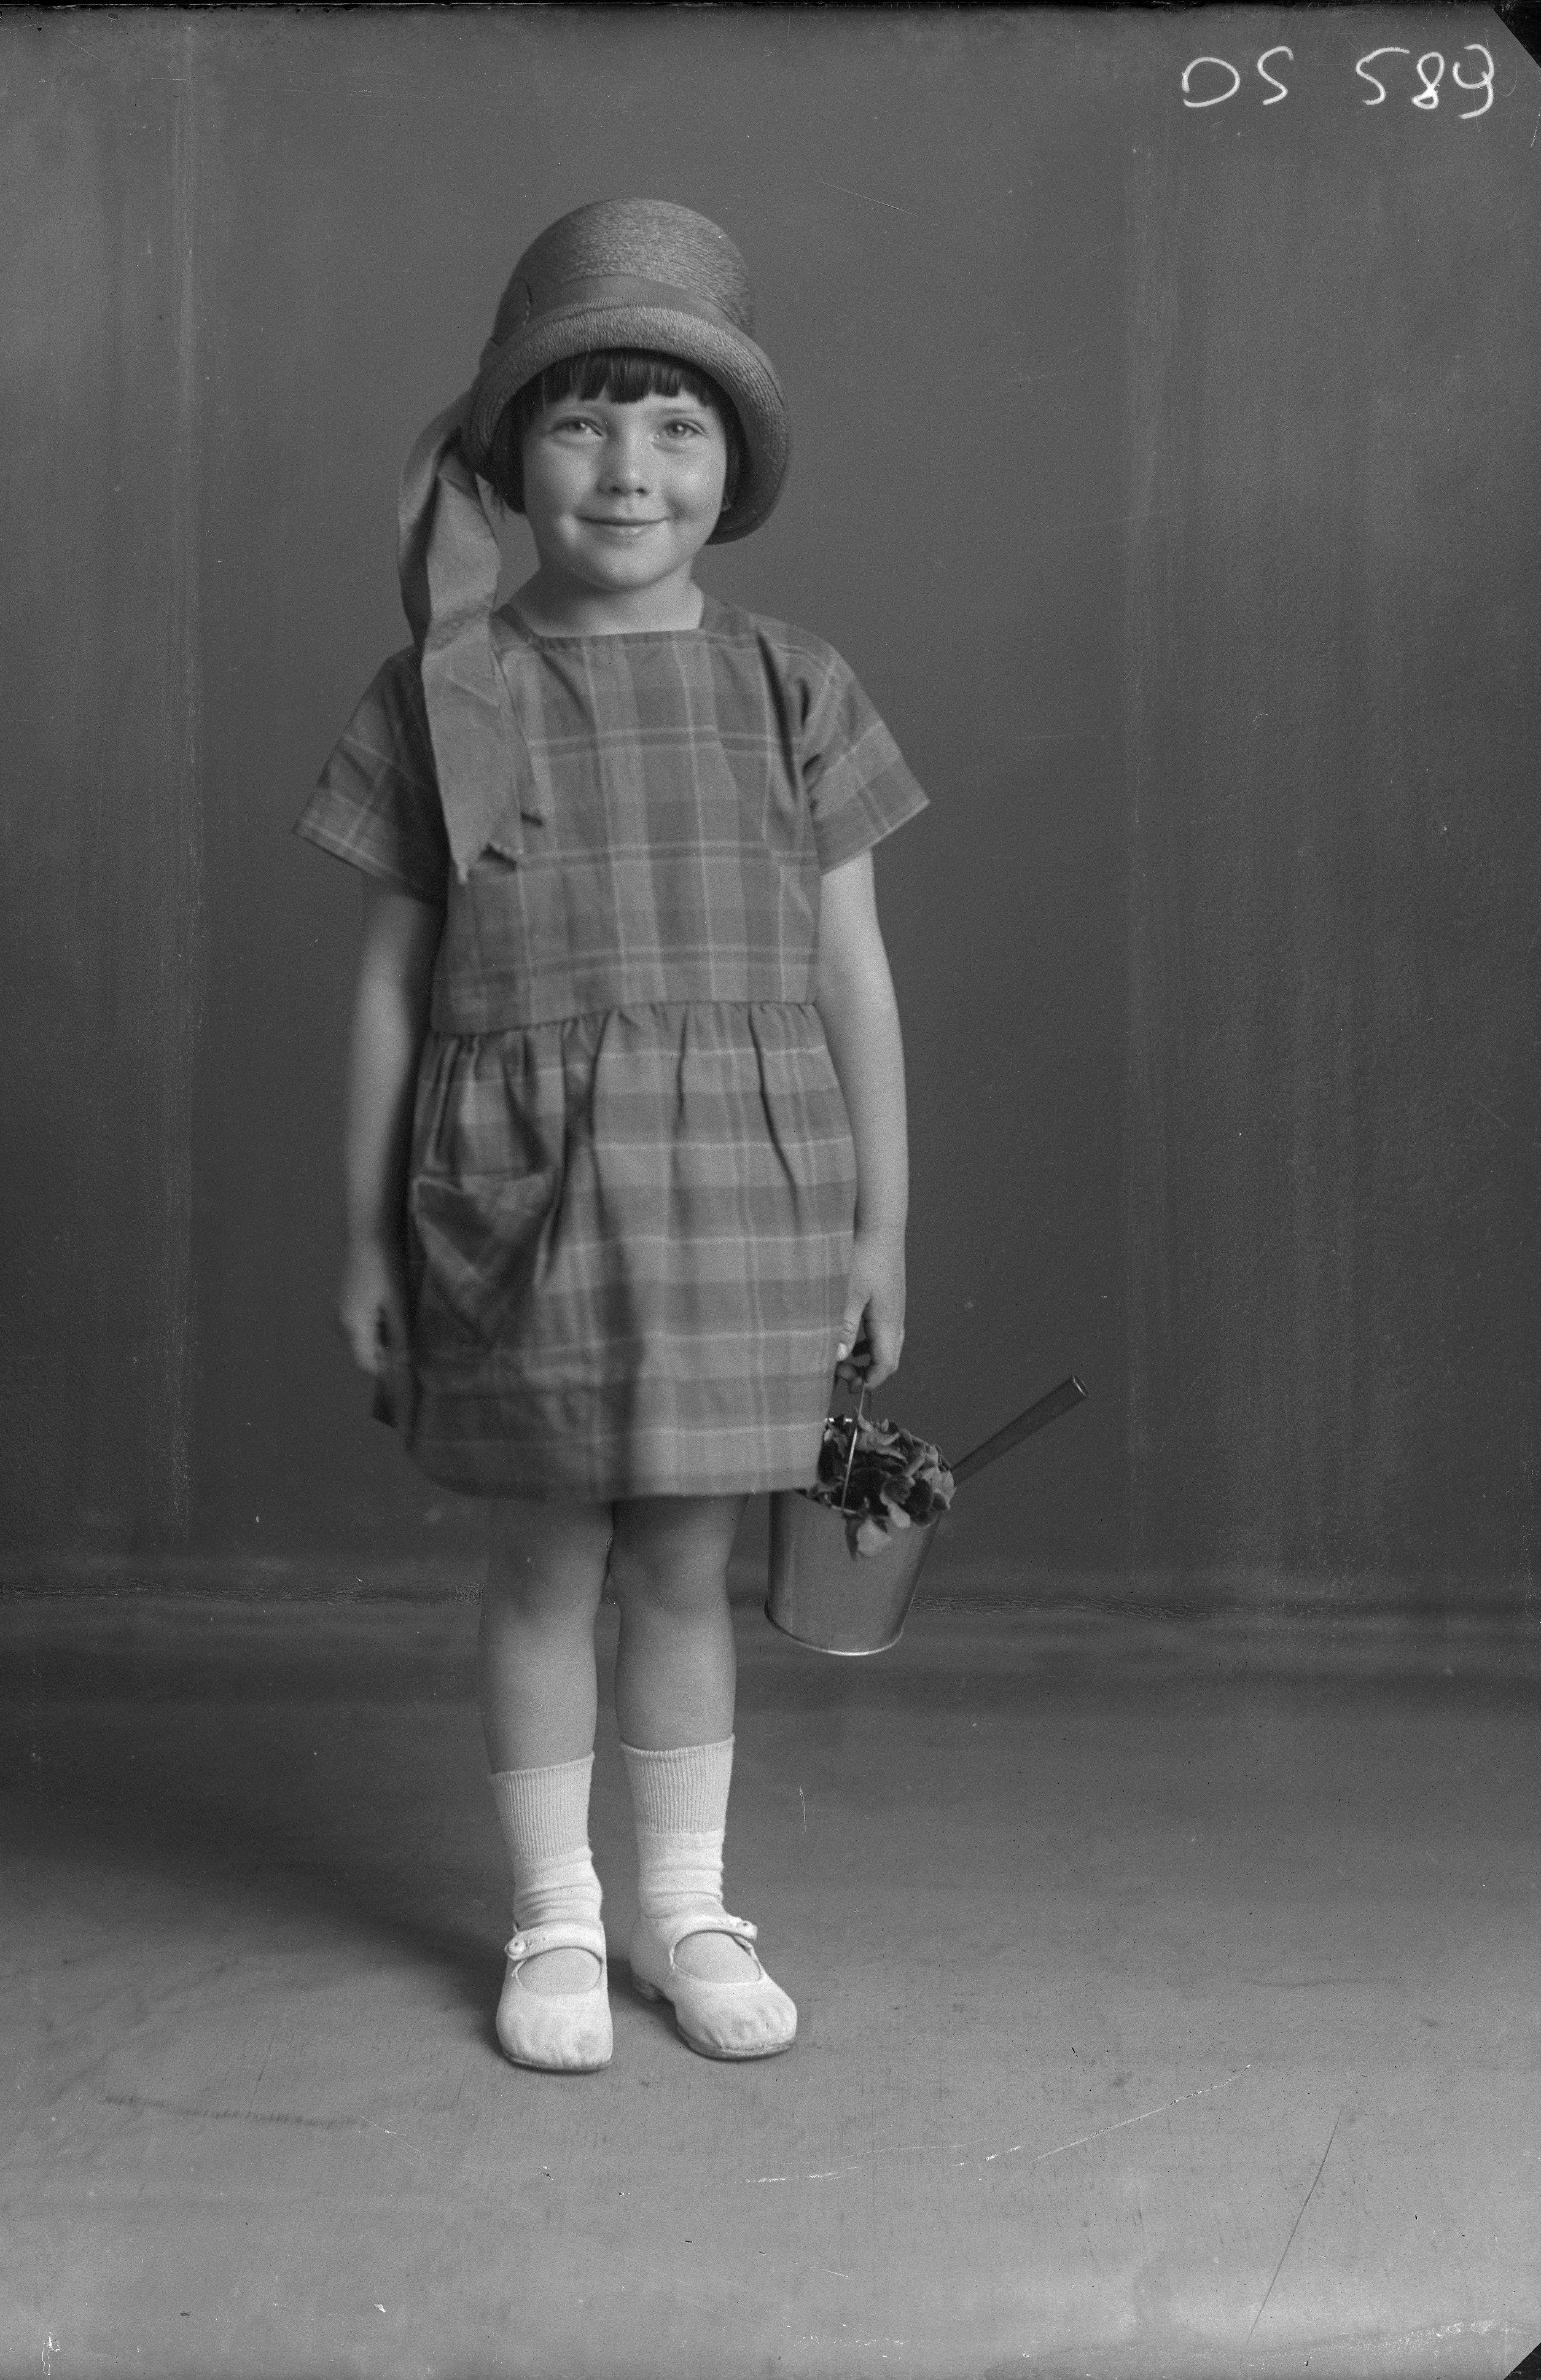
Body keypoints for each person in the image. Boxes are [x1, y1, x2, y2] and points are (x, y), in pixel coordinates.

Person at [296, 198, 928, 2073]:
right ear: (509, 457)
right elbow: (393, 987)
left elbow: (857, 975)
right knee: (546, 1563)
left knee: (681, 1565)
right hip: (524, 1206)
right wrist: (363, 1235)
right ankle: (556, 1915)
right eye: (580, 421)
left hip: (748, 1193)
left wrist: (883, 1226)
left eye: (674, 422)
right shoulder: (443, 693)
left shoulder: (795, 684)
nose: (629, 466)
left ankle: (688, 1902)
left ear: (732, 463)